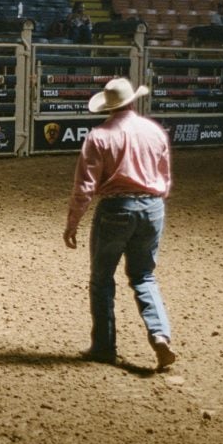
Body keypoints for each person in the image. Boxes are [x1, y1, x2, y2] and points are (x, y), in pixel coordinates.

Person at [64, 77, 175, 370]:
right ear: (133, 100)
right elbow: (164, 176)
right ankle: (160, 334)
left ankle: (104, 347)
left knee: (102, 279)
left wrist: (73, 222)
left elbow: (85, 187)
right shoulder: (154, 131)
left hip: (115, 208)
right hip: (152, 207)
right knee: (144, 276)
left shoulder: (99, 136)